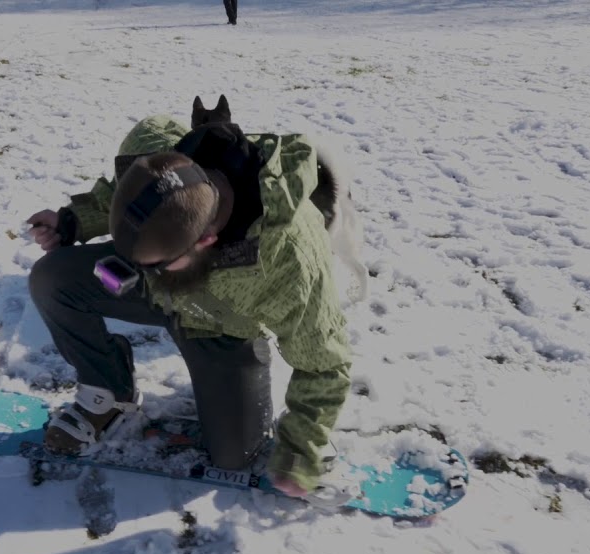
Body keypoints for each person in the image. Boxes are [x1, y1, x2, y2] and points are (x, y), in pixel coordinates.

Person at [25, 114, 351, 498]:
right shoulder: (161, 157)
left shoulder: (287, 258)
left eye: (159, 264)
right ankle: (109, 391)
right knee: (53, 278)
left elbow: (323, 362)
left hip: (219, 325)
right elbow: (123, 194)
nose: (140, 270)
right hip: (164, 293)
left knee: (233, 456)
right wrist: (71, 222)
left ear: (205, 241)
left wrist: (301, 447)